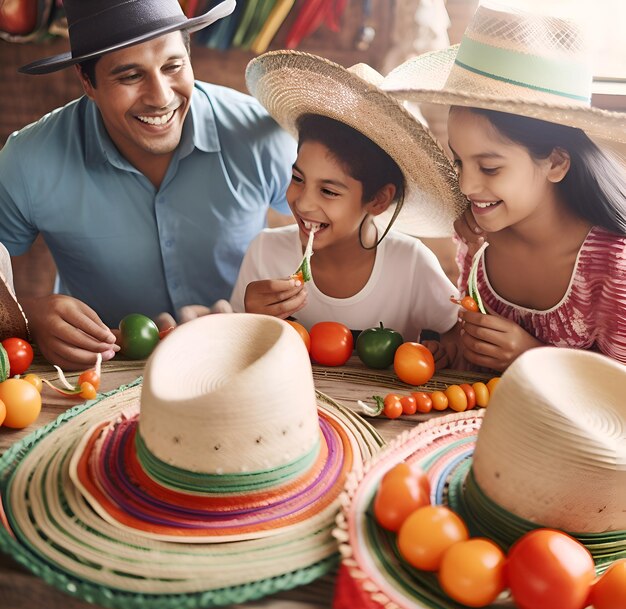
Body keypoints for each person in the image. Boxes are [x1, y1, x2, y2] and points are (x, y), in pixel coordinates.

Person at [0, 0, 296, 369]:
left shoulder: (262, 137)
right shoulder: (27, 160)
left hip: (243, 360)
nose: (161, 97)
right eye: (130, 76)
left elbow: (337, 236)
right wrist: (27, 316)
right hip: (100, 377)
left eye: (173, 66)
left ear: (189, 56)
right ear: (87, 81)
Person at [382, 2, 626, 372]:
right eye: (459, 161)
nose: (465, 184)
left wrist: (531, 357)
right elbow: (472, 350)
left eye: (490, 167)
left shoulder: (614, 267)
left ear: (557, 162)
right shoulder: (477, 238)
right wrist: (455, 347)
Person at [227, 51, 468, 351]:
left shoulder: (410, 265)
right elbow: (234, 348)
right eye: (298, 179)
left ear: (379, 200)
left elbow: (458, 334)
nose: (303, 204)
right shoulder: (265, 253)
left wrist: (442, 346)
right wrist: (250, 321)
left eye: (328, 191)